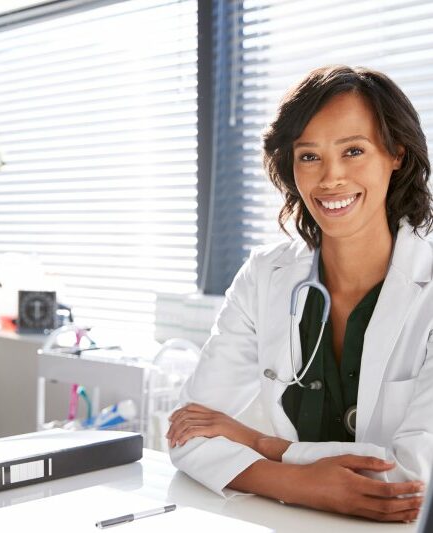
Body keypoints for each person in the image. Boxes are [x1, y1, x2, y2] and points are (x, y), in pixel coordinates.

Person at [167, 65, 433, 523]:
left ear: (397, 155)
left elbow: (409, 483)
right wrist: (299, 483)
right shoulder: (264, 277)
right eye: (309, 156)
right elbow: (189, 434)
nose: (330, 178)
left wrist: (262, 446)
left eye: (353, 150)